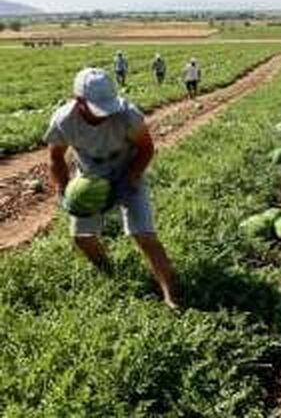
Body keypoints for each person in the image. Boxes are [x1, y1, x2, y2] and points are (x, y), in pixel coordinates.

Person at [45, 68, 181, 312]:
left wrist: (127, 181)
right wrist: (63, 191)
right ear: (79, 102)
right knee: (82, 238)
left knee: (145, 235)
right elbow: (56, 158)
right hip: (88, 175)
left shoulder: (127, 114)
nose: (104, 114)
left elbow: (146, 150)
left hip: (126, 170)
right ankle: (111, 273)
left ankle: (170, 296)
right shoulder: (63, 120)